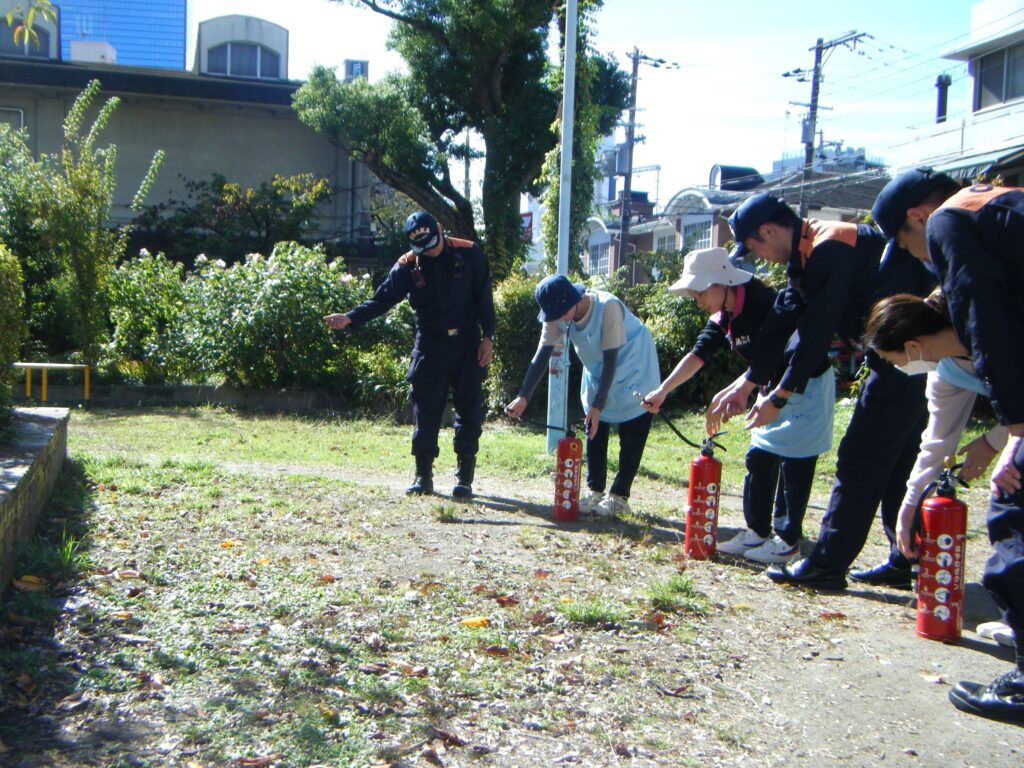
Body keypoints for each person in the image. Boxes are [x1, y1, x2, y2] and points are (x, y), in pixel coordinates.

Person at [710, 192, 935, 590]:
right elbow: (784, 316)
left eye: (755, 247)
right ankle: (906, 560)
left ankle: (827, 565)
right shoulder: (806, 254)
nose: (758, 257)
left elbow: (816, 330)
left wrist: (780, 396)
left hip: (910, 353)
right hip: (902, 354)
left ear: (768, 230)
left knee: (860, 456)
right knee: (899, 457)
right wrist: (748, 381)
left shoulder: (831, 245)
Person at [870, 170, 1024, 725]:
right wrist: (911, 504)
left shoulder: (954, 225)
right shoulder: (951, 369)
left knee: (1011, 510)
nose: (921, 255)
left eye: (900, 361)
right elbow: (936, 444)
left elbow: (991, 327)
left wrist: (1009, 437)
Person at [641, 247, 835, 564]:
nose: (698, 301)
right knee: (759, 458)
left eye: (700, 292)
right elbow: (699, 354)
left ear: (722, 282)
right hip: (770, 385)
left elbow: (778, 356)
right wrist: (663, 391)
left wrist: (741, 390)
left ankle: (787, 541)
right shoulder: (725, 314)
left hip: (804, 384)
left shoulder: (764, 304)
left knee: (794, 464)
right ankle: (757, 532)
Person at [324, 210, 495, 499]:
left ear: (440, 229)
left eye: (432, 244)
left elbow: (484, 297)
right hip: (430, 344)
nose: (429, 252)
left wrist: (488, 337)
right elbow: (383, 299)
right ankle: (423, 476)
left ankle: (464, 479)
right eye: (422, 249)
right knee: (425, 411)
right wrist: (351, 318)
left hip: (467, 343)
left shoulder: (469, 253)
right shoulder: (408, 265)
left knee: (469, 411)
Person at [504, 275, 660, 518]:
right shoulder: (557, 315)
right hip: (598, 369)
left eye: (560, 313)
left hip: (634, 365)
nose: (556, 320)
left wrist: (598, 405)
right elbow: (541, 356)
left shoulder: (608, 307)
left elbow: (612, 360)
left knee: (632, 429)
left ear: (572, 301)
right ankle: (594, 490)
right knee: (594, 427)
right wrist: (523, 396)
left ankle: (619, 496)